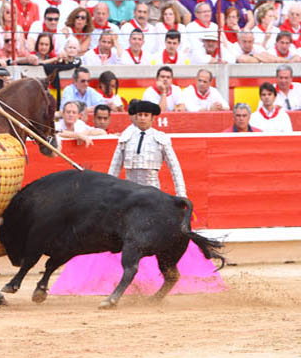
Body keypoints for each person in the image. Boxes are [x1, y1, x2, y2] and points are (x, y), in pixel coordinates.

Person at [50, 100, 225, 298]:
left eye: (146, 115)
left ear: (152, 118)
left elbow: (174, 168)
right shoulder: (125, 137)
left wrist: (182, 195)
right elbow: (114, 169)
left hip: (153, 195)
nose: (142, 118)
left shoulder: (161, 139)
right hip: (129, 194)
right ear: (134, 116)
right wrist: (107, 193)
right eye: (139, 115)